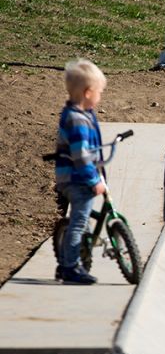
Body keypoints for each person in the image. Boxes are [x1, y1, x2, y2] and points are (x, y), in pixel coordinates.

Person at [54, 58, 107, 284]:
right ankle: (70, 268)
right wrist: (94, 179)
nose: (100, 96)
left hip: (77, 176)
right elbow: (81, 156)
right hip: (77, 179)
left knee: (81, 220)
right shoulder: (78, 120)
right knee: (78, 223)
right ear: (87, 93)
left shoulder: (83, 114)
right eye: (99, 92)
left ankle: (67, 261)